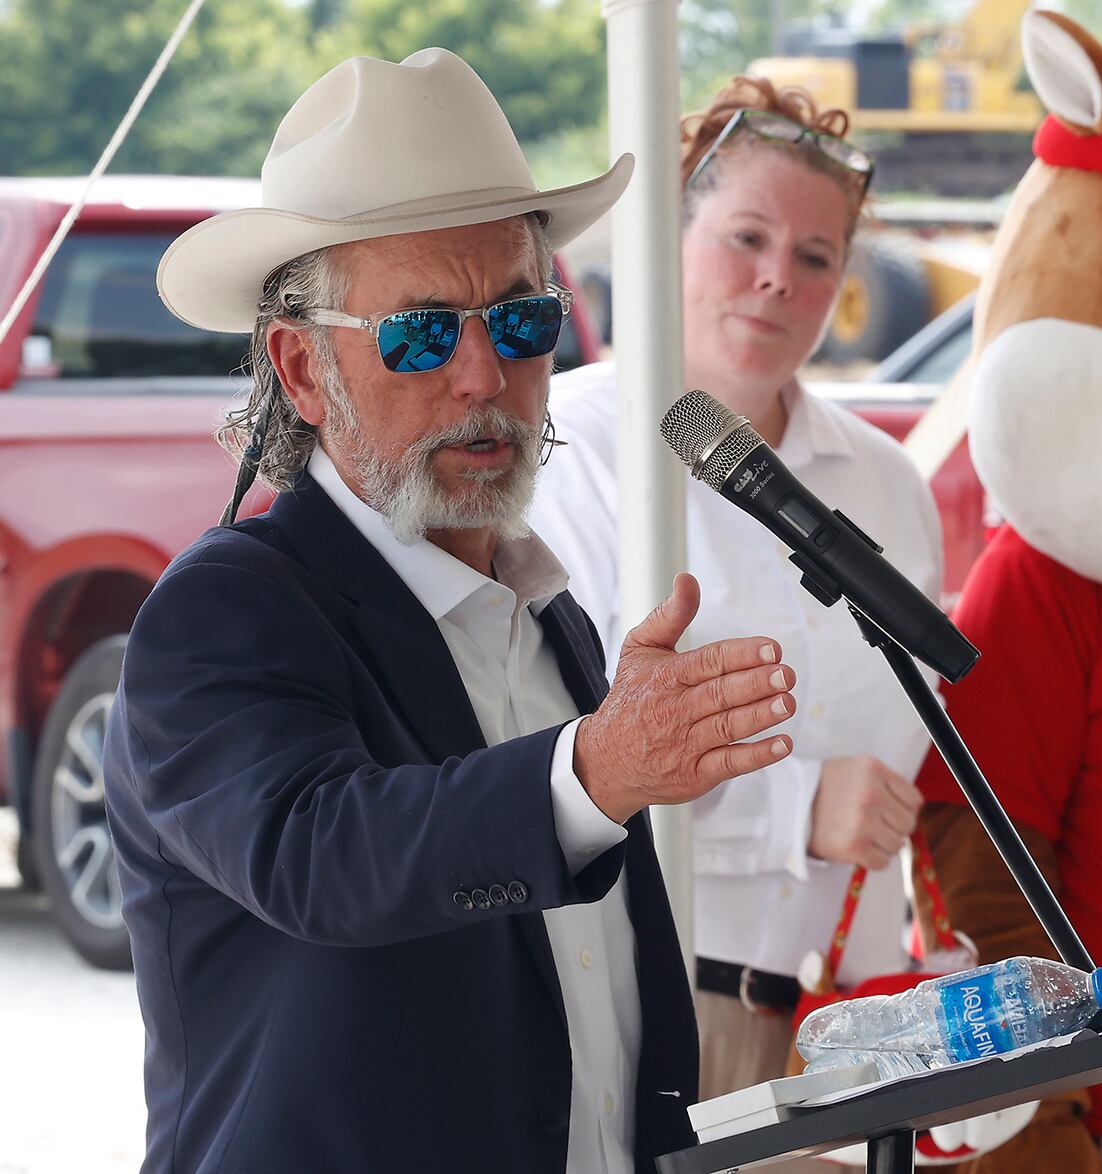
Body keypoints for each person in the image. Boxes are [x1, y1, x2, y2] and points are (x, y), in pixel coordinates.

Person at [103, 49, 801, 1174]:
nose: (484, 375)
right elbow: (321, 856)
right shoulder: (226, 608)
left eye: (521, 323)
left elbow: (586, 1005)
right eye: (422, 333)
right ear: (299, 368)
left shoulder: (547, 615)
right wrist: (593, 771)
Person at [529, 76, 943, 1126]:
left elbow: (911, 759)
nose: (775, 281)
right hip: (644, 1013)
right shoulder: (569, 454)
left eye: (815, 257)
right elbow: (547, 762)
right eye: (745, 238)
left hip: (849, 1028)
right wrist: (794, 808)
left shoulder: (888, 483)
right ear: (667, 236)